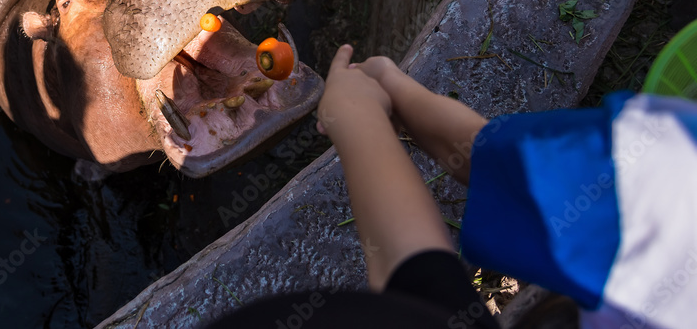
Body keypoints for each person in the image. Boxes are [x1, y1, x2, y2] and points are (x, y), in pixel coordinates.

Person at [209, 45, 697, 328]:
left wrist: (356, 116)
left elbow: (416, 272)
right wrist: (388, 93)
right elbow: (490, 160)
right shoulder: (663, 172)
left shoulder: (662, 168)